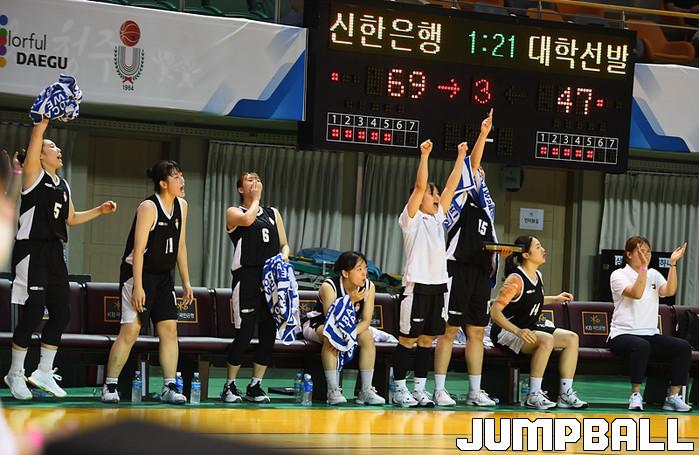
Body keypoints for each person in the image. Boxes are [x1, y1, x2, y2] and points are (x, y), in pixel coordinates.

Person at [4, 119, 117, 400]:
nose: (58, 150)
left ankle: (43, 371)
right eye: (52, 146)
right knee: (33, 312)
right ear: (40, 157)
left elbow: (71, 218)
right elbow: (36, 138)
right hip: (31, 250)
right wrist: (43, 121)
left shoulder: (63, 184)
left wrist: (100, 211)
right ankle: (15, 373)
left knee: (61, 313)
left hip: (55, 252)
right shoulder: (33, 176)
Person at [434, 109, 510, 407]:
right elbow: (474, 163)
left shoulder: (486, 209)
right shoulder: (460, 197)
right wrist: (483, 134)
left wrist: (498, 251)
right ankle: (439, 389)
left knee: (477, 331)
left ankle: (474, 390)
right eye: (475, 173)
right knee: (449, 329)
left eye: (481, 175)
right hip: (457, 269)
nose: (479, 175)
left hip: (479, 272)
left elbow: (484, 242)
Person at [101, 160, 192, 404]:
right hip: (138, 274)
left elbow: (181, 246)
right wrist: (138, 286)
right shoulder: (148, 207)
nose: (182, 180)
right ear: (163, 183)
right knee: (130, 331)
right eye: (176, 177)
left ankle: (169, 386)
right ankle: (110, 386)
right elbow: (138, 250)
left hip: (163, 277)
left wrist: (186, 282)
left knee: (169, 330)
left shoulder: (182, 206)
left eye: (182, 175)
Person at [391, 138, 466, 407]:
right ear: (416, 197)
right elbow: (421, 186)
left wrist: (461, 156)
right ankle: (399, 389)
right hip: (417, 286)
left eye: (436, 194)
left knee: (427, 340)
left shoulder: (437, 217)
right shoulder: (410, 218)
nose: (436, 197)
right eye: (431, 194)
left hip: (438, 286)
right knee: (408, 339)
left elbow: (451, 186)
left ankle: (420, 390)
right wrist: (424, 156)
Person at [490, 235, 588, 409]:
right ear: (526, 255)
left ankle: (565, 394)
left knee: (572, 338)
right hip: (506, 331)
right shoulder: (515, 279)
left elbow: (532, 301)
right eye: (538, 247)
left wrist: (555, 299)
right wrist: (517, 331)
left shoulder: (538, 275)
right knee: (546, 340)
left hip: (528, 327)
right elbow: (495, 312)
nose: (543, 250)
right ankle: (533, 395)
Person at [221, 172, 290, 403]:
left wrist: (284, 256)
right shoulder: (234, 212)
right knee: (244, 333)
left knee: (269, 333)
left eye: (258, 179)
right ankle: (229, 385)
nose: (255, 182)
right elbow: (249, 219)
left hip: (270, 279)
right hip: (247, 277)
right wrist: (256, 199)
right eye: (249, 180)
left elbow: (284, 244)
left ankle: (255, 385)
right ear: (241, 189)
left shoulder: (273, 214)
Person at [608, 236, 691, 412]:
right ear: (629, 254)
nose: (645, 254)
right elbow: (636, 293)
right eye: (640, 251)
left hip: (650, 334)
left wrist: (673, 264)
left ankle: (673, 397)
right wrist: (644, 268)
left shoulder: (653, 274)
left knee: (682, 347)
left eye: (647, 251)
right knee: (641, 345)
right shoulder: (618, 275)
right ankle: (635, 394)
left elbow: (669, 290)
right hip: (622, 334)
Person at [302, 251, 385, 405]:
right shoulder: (329, 286)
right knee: (331, 338)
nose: (364, 273)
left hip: (349, 327)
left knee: (367, 336)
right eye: (359, 269)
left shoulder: (369, 286)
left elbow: (366, 320)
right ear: (345, 273)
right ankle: (333, 390)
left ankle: (366, 390)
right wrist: (350, 301)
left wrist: (351, 334)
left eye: (365, 268)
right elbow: (332, 321)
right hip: (319, 324)